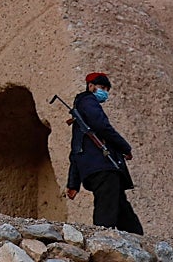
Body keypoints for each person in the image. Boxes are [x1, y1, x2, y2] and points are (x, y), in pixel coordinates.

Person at [65, 72, 144, 234]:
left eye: (107, 89)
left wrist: (73, 183)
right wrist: (125, 148)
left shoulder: (80, 114)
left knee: (122, 209)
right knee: (106, 212)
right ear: (91, 86)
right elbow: (102, 127)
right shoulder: (88, 101)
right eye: (102, 88)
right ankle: (102, 240)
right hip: (103, 168)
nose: (105, 93)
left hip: (97, 170)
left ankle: (137, 239)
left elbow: (75, 151)